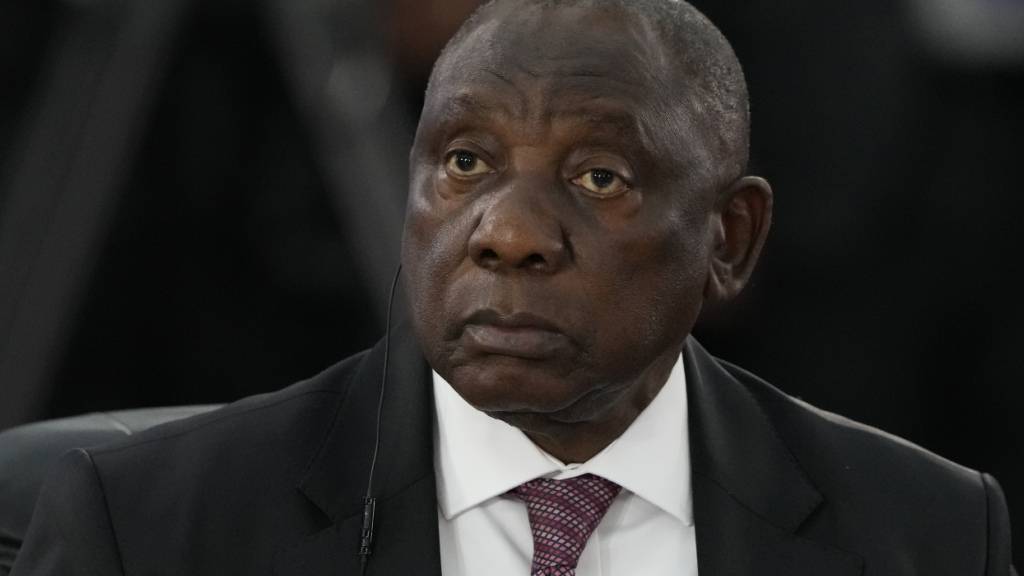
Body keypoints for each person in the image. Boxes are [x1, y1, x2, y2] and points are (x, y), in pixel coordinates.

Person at [11, 0, 1016, 574]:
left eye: (598, 178)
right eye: (463, 165)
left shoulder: (929, 534)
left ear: (731, 237)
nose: (510, 234)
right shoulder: (142, 526)